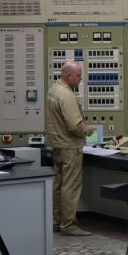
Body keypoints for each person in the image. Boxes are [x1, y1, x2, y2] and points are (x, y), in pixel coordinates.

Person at [46, 60, 95, 236]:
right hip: (70, 146)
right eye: (79, 76)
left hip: (57, 144)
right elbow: (75, 125)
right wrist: (87, 130)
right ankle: (68, 225)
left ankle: (57, 220)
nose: (81, 79)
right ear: (68, 76)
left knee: (59, 184)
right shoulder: (67, 95)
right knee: (71, 186)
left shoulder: (54, 90)